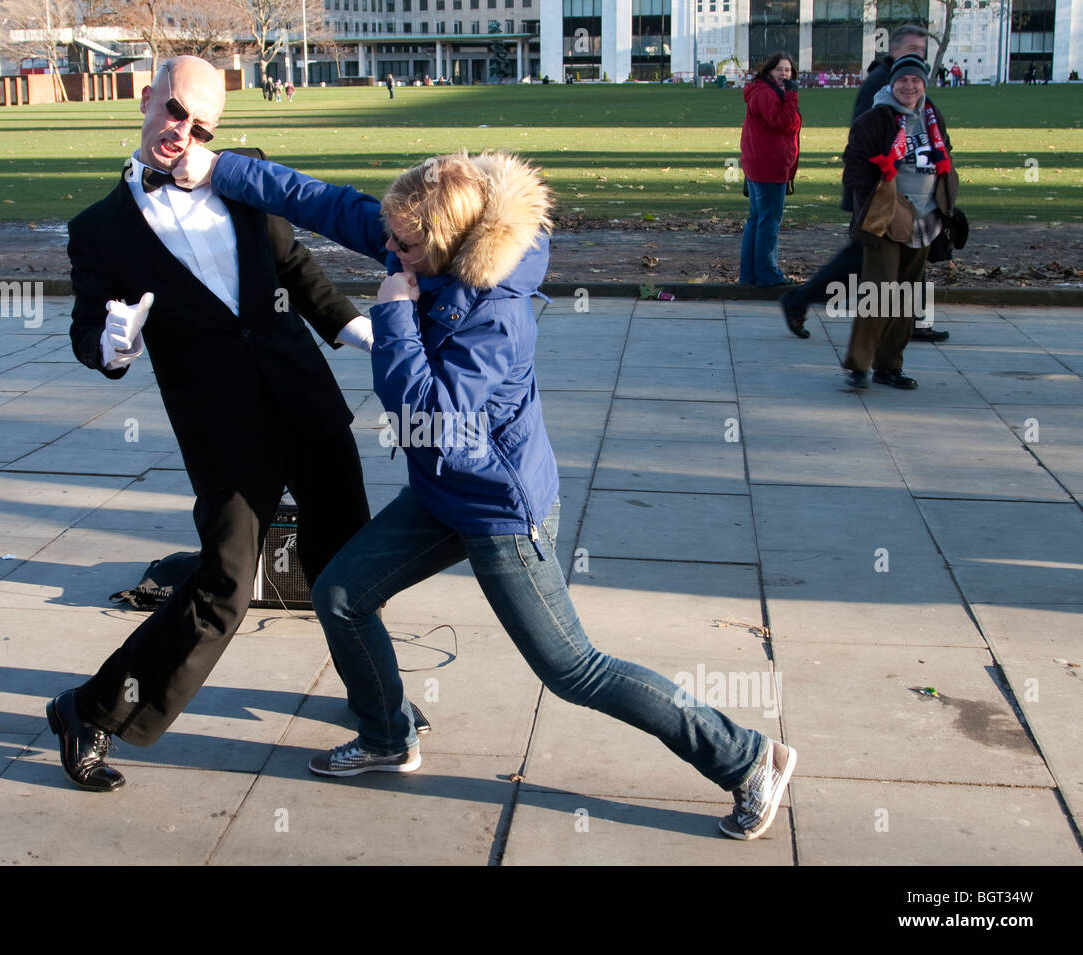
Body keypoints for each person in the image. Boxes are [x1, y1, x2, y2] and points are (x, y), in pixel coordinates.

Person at [204, 147, 797, 841]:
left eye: (404, 245)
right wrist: (220, 168)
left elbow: (430, 420)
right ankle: (388, 735)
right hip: (443, 492)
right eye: (389, 238)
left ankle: (746, 757)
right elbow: (328, 203)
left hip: (495, 507)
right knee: (340, 594)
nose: (389, 251)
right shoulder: (419, 238)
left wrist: (393, 317)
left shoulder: (496, 314)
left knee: (573, 668)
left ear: (450, 244)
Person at [46, 55, 412, 792]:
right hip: (221, 426)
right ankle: (89, 710)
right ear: (145, 97)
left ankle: (376, 706)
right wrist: (112, 347)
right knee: (225, 584)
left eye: (201, 123)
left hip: (303, 396)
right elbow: (90, 329)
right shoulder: (100, 228)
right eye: (174, 110)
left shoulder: (244, 176)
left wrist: (361, 330)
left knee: (348, 559)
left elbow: (297, 268)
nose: (183, 131)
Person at [778, 25, 948, 343]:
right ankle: (799, 300)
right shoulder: (884, 83)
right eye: (912, 49)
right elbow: (866, 141)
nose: (917, 56)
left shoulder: (902, 80)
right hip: (880, 196)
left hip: (904, 195)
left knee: (906, 254)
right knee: (860, 262)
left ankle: (911, 322)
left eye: (921, 51)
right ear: (894, 49)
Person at [841, 54, 957, 390]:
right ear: (892, 84)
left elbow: (945, 155)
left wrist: (947, 199)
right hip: (887, 218)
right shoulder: (876, 119)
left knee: (907, 296)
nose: (909, 86)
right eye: (902, 81)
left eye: (915, 81)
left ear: (924, 84)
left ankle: (889, 366)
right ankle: (859, 365)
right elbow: (855, 168)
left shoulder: (932, 117)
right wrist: (878, 197)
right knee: (880, 292)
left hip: (925, 218)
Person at [739, 51, 801, 287]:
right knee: (768, 221)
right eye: (779, 70)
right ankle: (766, 274)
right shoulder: (767, 94)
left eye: (788, 70)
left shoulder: (764, 92)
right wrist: (792, 96)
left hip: (760, 164)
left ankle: (750, 275)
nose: (784, 74)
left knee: (757, 220)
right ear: (768, 71)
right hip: (769, 166)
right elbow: (783, 122)